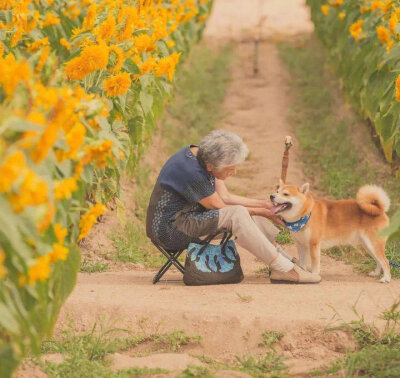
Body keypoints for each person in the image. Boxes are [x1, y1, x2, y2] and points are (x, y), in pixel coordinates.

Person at [146, 130, 321, 284]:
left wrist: (265, 206)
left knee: (245, 211)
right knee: (239, 214)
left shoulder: (205, 155)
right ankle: (284, 269)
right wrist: (264, 212)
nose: (234, 173)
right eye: (231, 169)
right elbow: (222, 208)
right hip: (170, 230)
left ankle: (282, 260)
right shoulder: (191, 171)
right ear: (212, 166)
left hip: (188, 217)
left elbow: (226, 197)